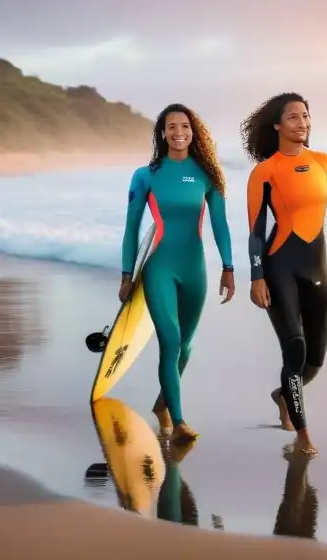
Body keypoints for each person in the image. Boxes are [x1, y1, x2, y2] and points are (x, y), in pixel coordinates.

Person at [241, 92, 327, 457]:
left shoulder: (325, 164)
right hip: (280, 266)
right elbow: (256, 231)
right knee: (294, 348)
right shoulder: (265, 171)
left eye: (306, 116)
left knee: (315, 359)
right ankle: (303, 435)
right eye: (293, 117)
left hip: (317, 267)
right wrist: (256, 276)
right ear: (278, 125)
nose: (302, 123)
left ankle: (284, 394)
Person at [120, 103, 235, 443]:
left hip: (194, 267)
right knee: (169, 341)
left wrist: (229, 267)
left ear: (193, 131)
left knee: (185, 347)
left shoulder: (208, 174)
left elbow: (220, 225)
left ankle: (162, 403)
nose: (179, 132)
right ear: (162, 133)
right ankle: (179, 421)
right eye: (172, 126)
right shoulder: (146, 175)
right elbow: (131, 228)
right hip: (160, 267)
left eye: (185, 125)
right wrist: (127, 275)